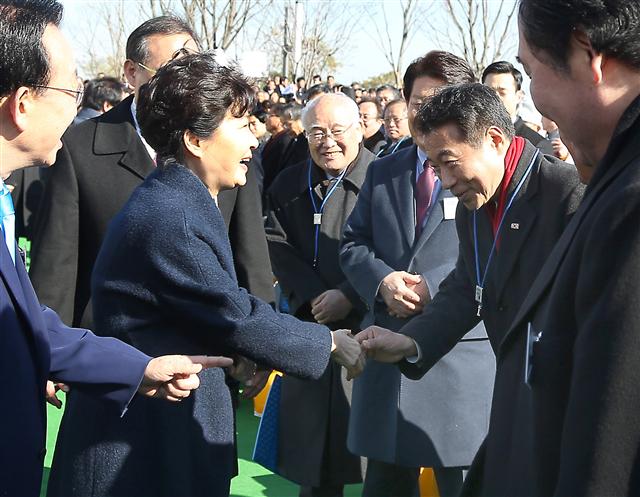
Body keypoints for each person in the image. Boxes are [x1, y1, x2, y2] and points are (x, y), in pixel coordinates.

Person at [47, 52, 365, 497]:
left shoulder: (181, 199)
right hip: (140, 445)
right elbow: (230, 312)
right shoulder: (170, 214)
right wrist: (328, 342)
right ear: (195, 139)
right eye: (241, 124)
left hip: (163, 432)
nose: (254, 139)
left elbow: (204, 311)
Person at [0, 2, 233, 496]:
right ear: (22, 103)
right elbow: (57, 266)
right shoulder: (82, 152)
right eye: (71, 90)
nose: (79, 105)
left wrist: (138, 368)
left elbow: (25, 321)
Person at [354, 83, 584, 494]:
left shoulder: (567, 195)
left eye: (449, 162)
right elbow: (467, 286)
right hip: (518, 399)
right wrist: (409, 343)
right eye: (434, 167)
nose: (444, 181)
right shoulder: (476, 202)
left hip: (566, 408)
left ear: (495, 140)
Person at [451, 1, 640, 495]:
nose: (534, 101)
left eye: (531, 71)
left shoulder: (629, 207)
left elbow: (609, 447)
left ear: (587, 54)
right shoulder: (615, 181)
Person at [30, 16, 275, 338]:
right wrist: (51, 344)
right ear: (132, 73)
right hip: (115, 350)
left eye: (196, 68)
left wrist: (264, 336)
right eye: (173, 70)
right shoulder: (80, 147)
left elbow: (249, 249)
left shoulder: (227, 144)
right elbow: (58, 260)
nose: (188, 81)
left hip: (209, 341)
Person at [340, 51, 495, 497]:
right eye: (418, 102)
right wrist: (383, 281)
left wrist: (436, 285)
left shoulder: (481, 169)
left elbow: (493, 245)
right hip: (387, 352)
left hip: (459, 354)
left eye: (442, 100)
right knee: (385, 484)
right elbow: (353, 244)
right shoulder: (383, 167)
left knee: (465, 485)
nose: (427, 113)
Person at [265, 93, 374, 497]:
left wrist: (348, 294)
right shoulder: (289, 183)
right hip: (312, 326)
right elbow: (274, 240)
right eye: (316, 132)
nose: (327, 141)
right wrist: (313, 295)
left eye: (337, 131)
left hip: (368, 326)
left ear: (360, 129)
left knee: (370, 455)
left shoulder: (384, 180)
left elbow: (398, 249)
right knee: (313, 453)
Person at [481, 60, 554, 155]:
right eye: (489, 92)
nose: (495, 98)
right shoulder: (471, 137)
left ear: (519, 96)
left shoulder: (536, 145)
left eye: (502, 93)